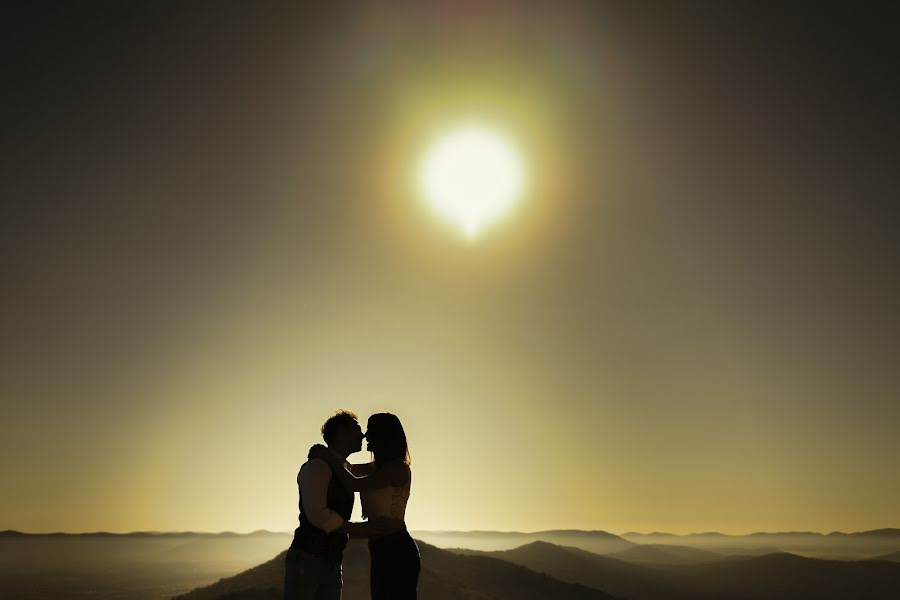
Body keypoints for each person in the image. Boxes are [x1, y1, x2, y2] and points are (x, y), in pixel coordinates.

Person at [284, 410, 400, 600]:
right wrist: (356, 529)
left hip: (331, 560)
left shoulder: (342, 468)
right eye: (356, 428)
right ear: (342, 432)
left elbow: (357, 476)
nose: (362, 434)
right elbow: (317, 515)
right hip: (308, 559)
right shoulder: (318, 466)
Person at [310, 412, 420, 600]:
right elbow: (346, 469)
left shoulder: (397, 468)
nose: (366, 436)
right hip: (380, 546)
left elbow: (353, 484)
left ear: (383, 435)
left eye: (371, 431)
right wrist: (327, 458)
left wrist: (326, 456)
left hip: (397, 548)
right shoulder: (375, 467)